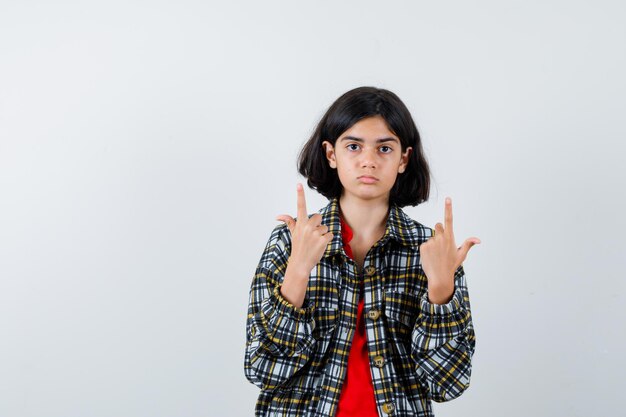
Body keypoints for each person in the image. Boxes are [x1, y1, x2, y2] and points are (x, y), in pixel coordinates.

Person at [243, 86, 481, 417]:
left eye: (384, 148)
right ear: (331, 154)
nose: (368, 160)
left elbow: (447, 384)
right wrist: (297, 273)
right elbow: (264, 371)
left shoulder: (431, 250)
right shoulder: (291, 241)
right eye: (353, 146)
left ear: (403, 159)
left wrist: (441, 292)